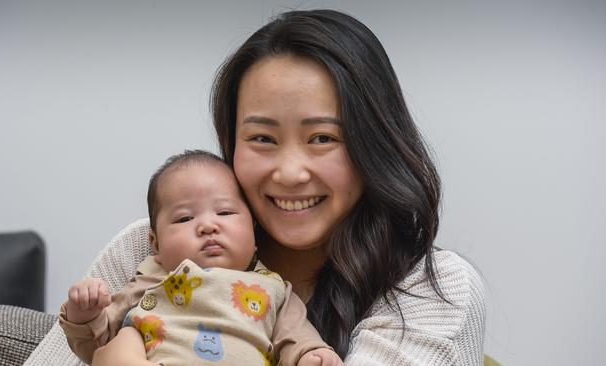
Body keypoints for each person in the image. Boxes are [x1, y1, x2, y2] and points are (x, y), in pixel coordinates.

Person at [93, 8, 486, 366]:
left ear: (374, 144)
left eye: (322, 139)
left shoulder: (433, 288)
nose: (290, 173)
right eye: (263, 139)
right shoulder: (149, 247)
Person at [60, 150, 343, 366]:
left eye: (225, 213)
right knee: (123, 342)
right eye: (185, 218)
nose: (208, 226)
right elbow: (95, 343)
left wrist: (312, 354)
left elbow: (297, 336)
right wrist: (85, 313)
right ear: (155, 245)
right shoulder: (152, 277)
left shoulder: (275, 289)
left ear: (254, 231)